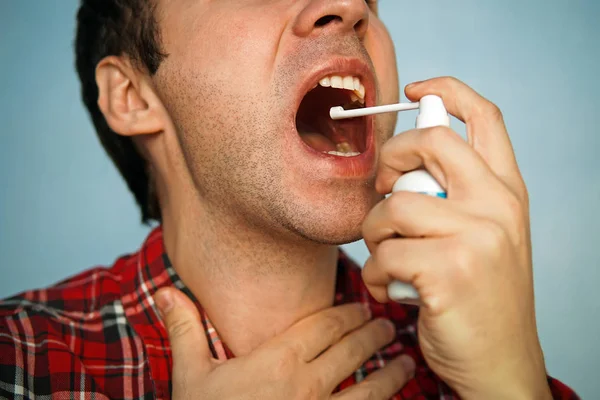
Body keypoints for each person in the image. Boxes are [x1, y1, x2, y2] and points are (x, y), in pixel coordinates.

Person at [0, 0, 580, 399]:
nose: (350, 6)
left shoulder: (470, 367)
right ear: (131, 96)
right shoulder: (22, 359)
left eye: (370, 0)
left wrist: (514, 383)